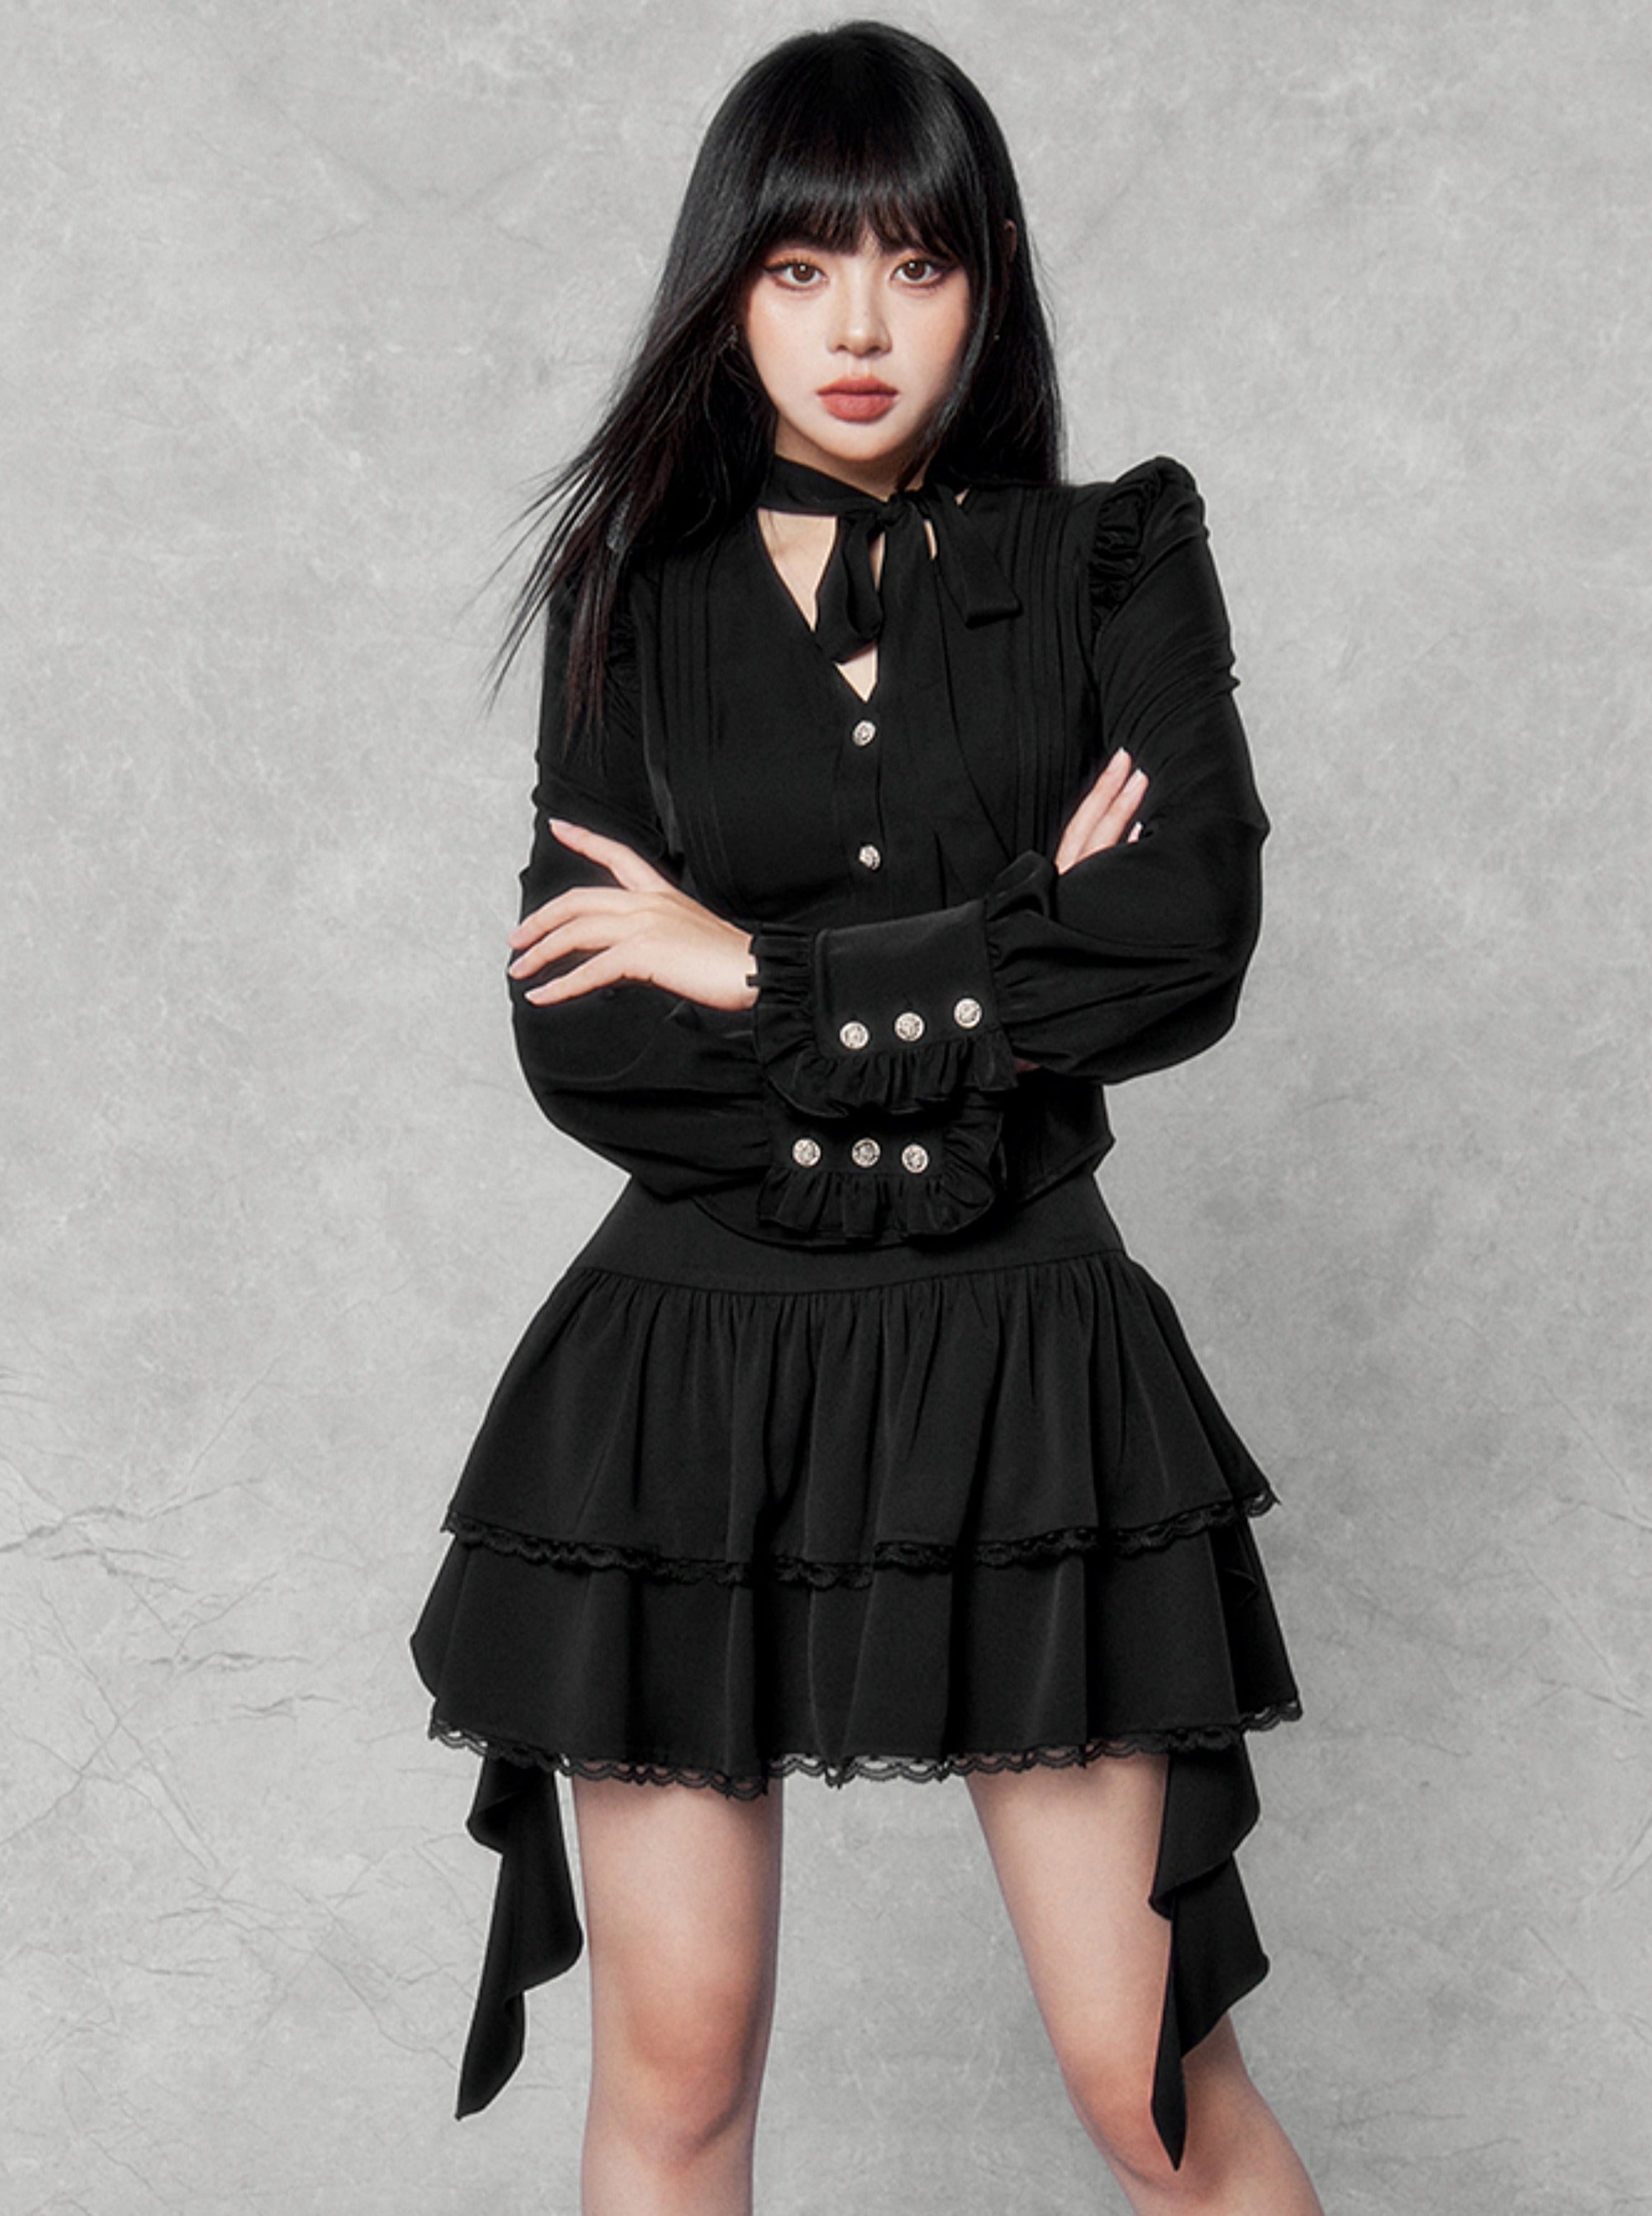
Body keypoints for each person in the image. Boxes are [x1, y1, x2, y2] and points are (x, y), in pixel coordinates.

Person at [411, 21, 1321, 2214]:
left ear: (986, 283)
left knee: (1144, 2081)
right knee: (676, 2072)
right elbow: (587, 1043)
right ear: (727, 287)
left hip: (1023, 1362)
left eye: (915, 266)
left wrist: (754, 969)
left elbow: (1181, 937)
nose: (856, 326)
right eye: (802, 266)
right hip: (679, 1372)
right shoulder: (630, 595)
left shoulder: (1115, 556)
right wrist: (1009, 953)